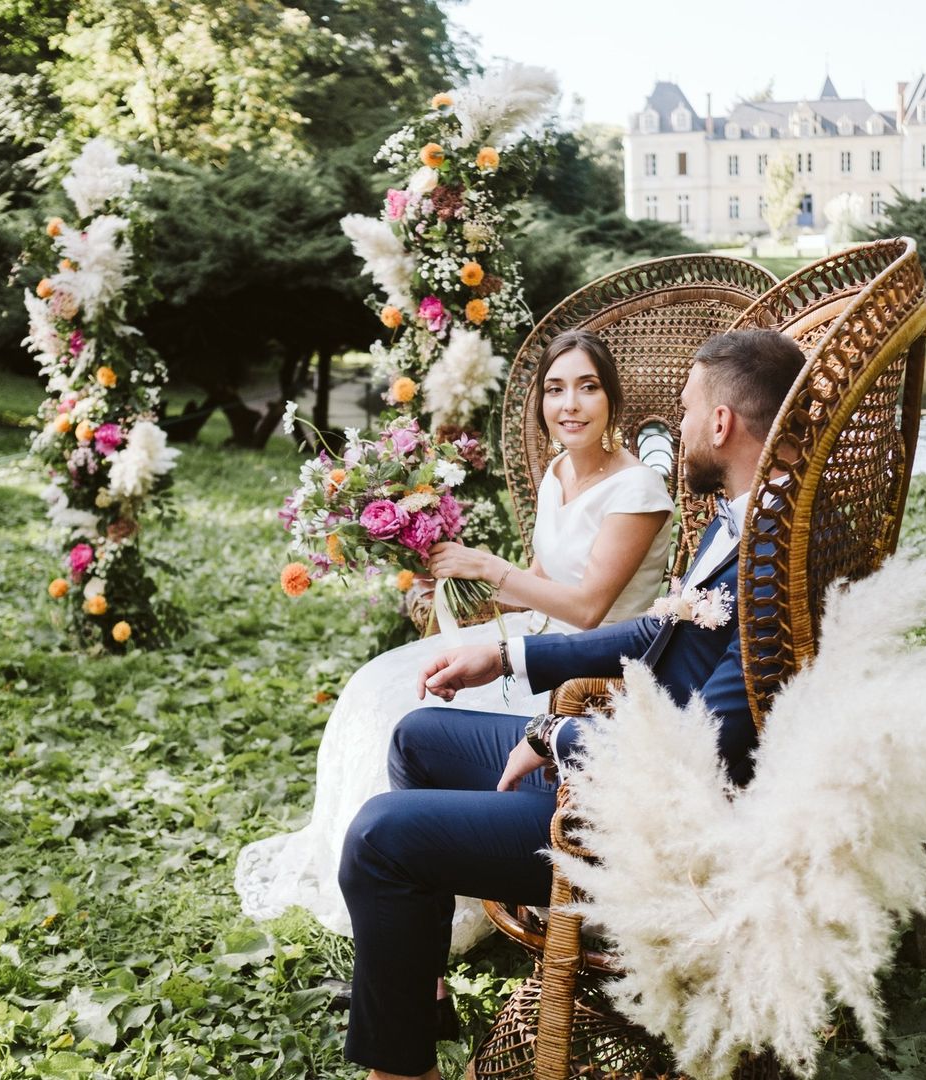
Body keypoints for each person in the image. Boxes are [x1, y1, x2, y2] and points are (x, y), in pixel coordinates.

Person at [336, 328, 807, 1078]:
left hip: (631, 808)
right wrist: (508, 652)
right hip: (615, 745)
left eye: (686, 411)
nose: (676, 428)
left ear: (722, 424)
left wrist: (559, 735)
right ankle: (416, 992)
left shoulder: (771, 560)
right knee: (416, 736)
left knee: (377, 836)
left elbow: (710, 751)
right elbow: (660, 628)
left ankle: (400, 1069)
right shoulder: (746, 520)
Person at [234, 329, 674, 953]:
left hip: (593, 664)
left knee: (417, 709)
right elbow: (546, 582)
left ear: (612, 401)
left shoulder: (637, 491)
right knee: (376, 689)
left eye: (587, 388)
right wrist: (466, 590)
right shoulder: (557, 474)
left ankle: (434, 878)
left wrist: (490, 567)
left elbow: (588, 604)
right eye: (555, 390)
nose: (569, 404)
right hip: (539, 632)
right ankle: (403, 895)